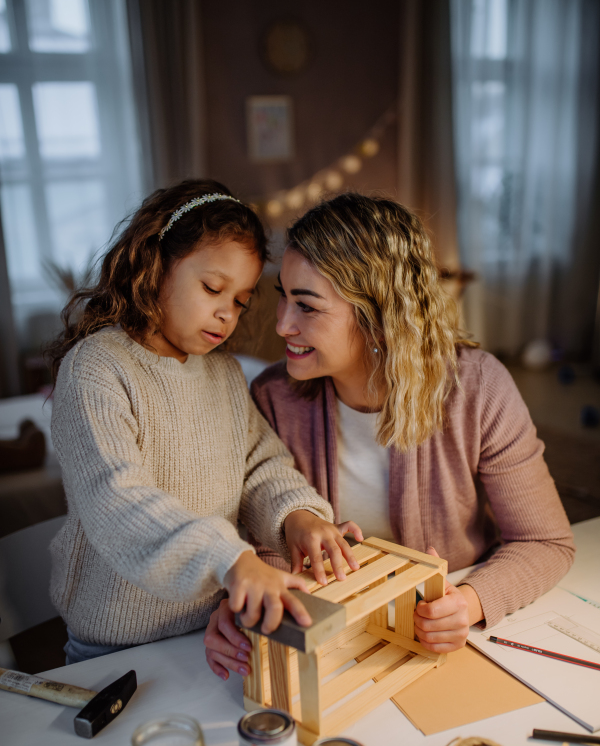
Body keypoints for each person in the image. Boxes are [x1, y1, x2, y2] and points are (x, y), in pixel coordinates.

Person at [204, 193, 575, 681]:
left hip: (440, 648)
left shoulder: (479, 387)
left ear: (378, 315)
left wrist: (470, 603)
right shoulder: (274, 396)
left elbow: (545, 540)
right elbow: (269, 543)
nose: (282, 325)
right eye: (283, 295)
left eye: (307, 306)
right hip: (333, 646)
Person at [47, 179, 363, 665]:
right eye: (213, 288)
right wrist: (231, 560)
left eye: (240, 301)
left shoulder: (225, 373)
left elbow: (260, 466)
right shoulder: (95, 369)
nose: (225, 313)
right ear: (155, 265)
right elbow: (117, 499)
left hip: (212, 631)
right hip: (112, 647)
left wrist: (297, 515)